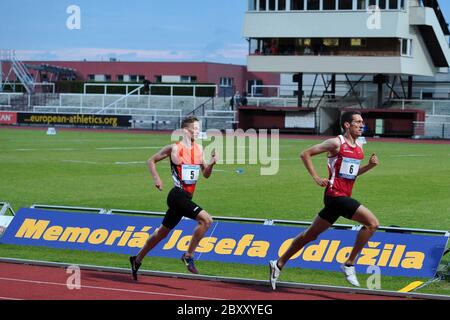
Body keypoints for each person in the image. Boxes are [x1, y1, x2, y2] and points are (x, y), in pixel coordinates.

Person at [269, 111, 380, 289]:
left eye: (362, 122)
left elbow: (351, 175)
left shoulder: (359, 148)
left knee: (310, 235)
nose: (362, 125)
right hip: (334, 196)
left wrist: (369, 166)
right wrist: (316, 177)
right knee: (372, 223)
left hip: (343, 197)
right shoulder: (336, 143)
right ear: (347, 125)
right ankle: (349, 264)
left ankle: (278, 263)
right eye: (357, 122)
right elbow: (305, 154)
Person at [129, 116, 217, 280]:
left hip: (186, 199)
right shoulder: (174, 148)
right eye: (194, 129)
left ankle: (137, 259)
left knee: (161, 234)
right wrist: (157, 178)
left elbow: (205, 175)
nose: (197, 132)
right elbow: (151, 160)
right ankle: (189, 255)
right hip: (177, 195)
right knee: (206, 220)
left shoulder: (199, 149)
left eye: (199, 129)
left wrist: (211, 163)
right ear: (185, 130)